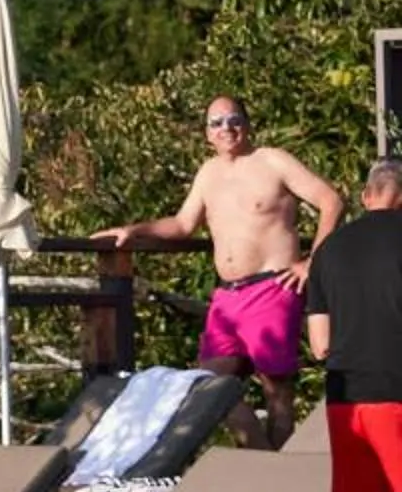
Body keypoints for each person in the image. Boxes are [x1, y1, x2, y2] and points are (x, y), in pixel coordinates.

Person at [95, 93, 343, 447]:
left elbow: (331, 200)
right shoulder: (208, 173)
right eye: (217, 122)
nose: (226, 128)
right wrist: (135, 230)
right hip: (229, 297)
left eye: (234, 120)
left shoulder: (272, 160)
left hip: (273, 286)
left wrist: (313, 262)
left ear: (247, 124)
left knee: (276, 390)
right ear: (207, 133)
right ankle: (261, 461)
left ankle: (283, 477)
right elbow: (183, 224)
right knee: (206, 384)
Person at [308, 156, 402, 492]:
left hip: (347, 404)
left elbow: (319, 343)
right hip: (397, 397)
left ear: (367, 196)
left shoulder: (330, 250)